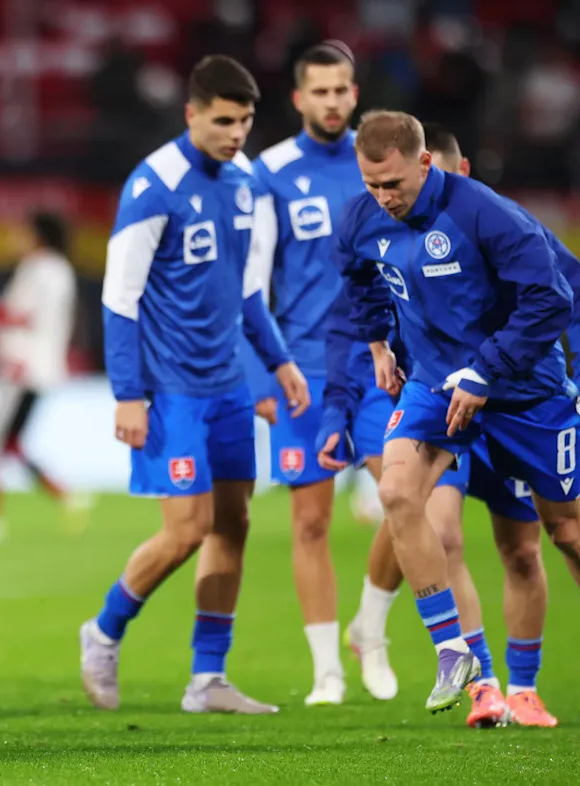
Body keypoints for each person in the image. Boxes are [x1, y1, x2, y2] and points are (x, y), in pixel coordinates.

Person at [80, 55, 310, 714]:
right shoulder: (154, 184)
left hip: (229, 386)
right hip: (170, 389)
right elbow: (119, 298)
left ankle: (208, 680)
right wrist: (128, 391)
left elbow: (245, 290)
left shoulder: (242, 182)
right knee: (186, 529)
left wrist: (279, 359)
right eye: (223, 120)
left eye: (244, 121)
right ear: (192, 114)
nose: (236, 134)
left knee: (232, 525)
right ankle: (103, 630)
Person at [328, 122, 576, 727]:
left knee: (560, 537)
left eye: (392, 183)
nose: (383, 197)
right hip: (434, 386)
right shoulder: (362, 217)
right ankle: (458, 657)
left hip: (523, 393)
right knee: (396, 493)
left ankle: (523, 687)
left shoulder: (487, 214)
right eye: (371, 184)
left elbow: (553, 300)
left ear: (426, 163)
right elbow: (359, 278)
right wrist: (379, 342)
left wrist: (485, 371)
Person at [247, 41, 388, 706]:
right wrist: (260, 374)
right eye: (320, 92)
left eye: (342, 90)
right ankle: (327, 671)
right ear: (299, 99)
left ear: (353, 94)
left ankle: (371, 622)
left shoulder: (382, 160)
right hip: (304, 369)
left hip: (382, 360)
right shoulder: (269, 172)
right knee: (310, 523)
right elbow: (250, 283)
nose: (333, 102)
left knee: (410, 503)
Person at [0, 210, 83, 543]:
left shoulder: (41, 270)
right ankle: (65, 495)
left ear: (37, 236)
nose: (15, 239)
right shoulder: (57, 270)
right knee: (11, 443)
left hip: (23, 365)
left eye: (21, 233)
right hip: (36, 365)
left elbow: (24, 316)